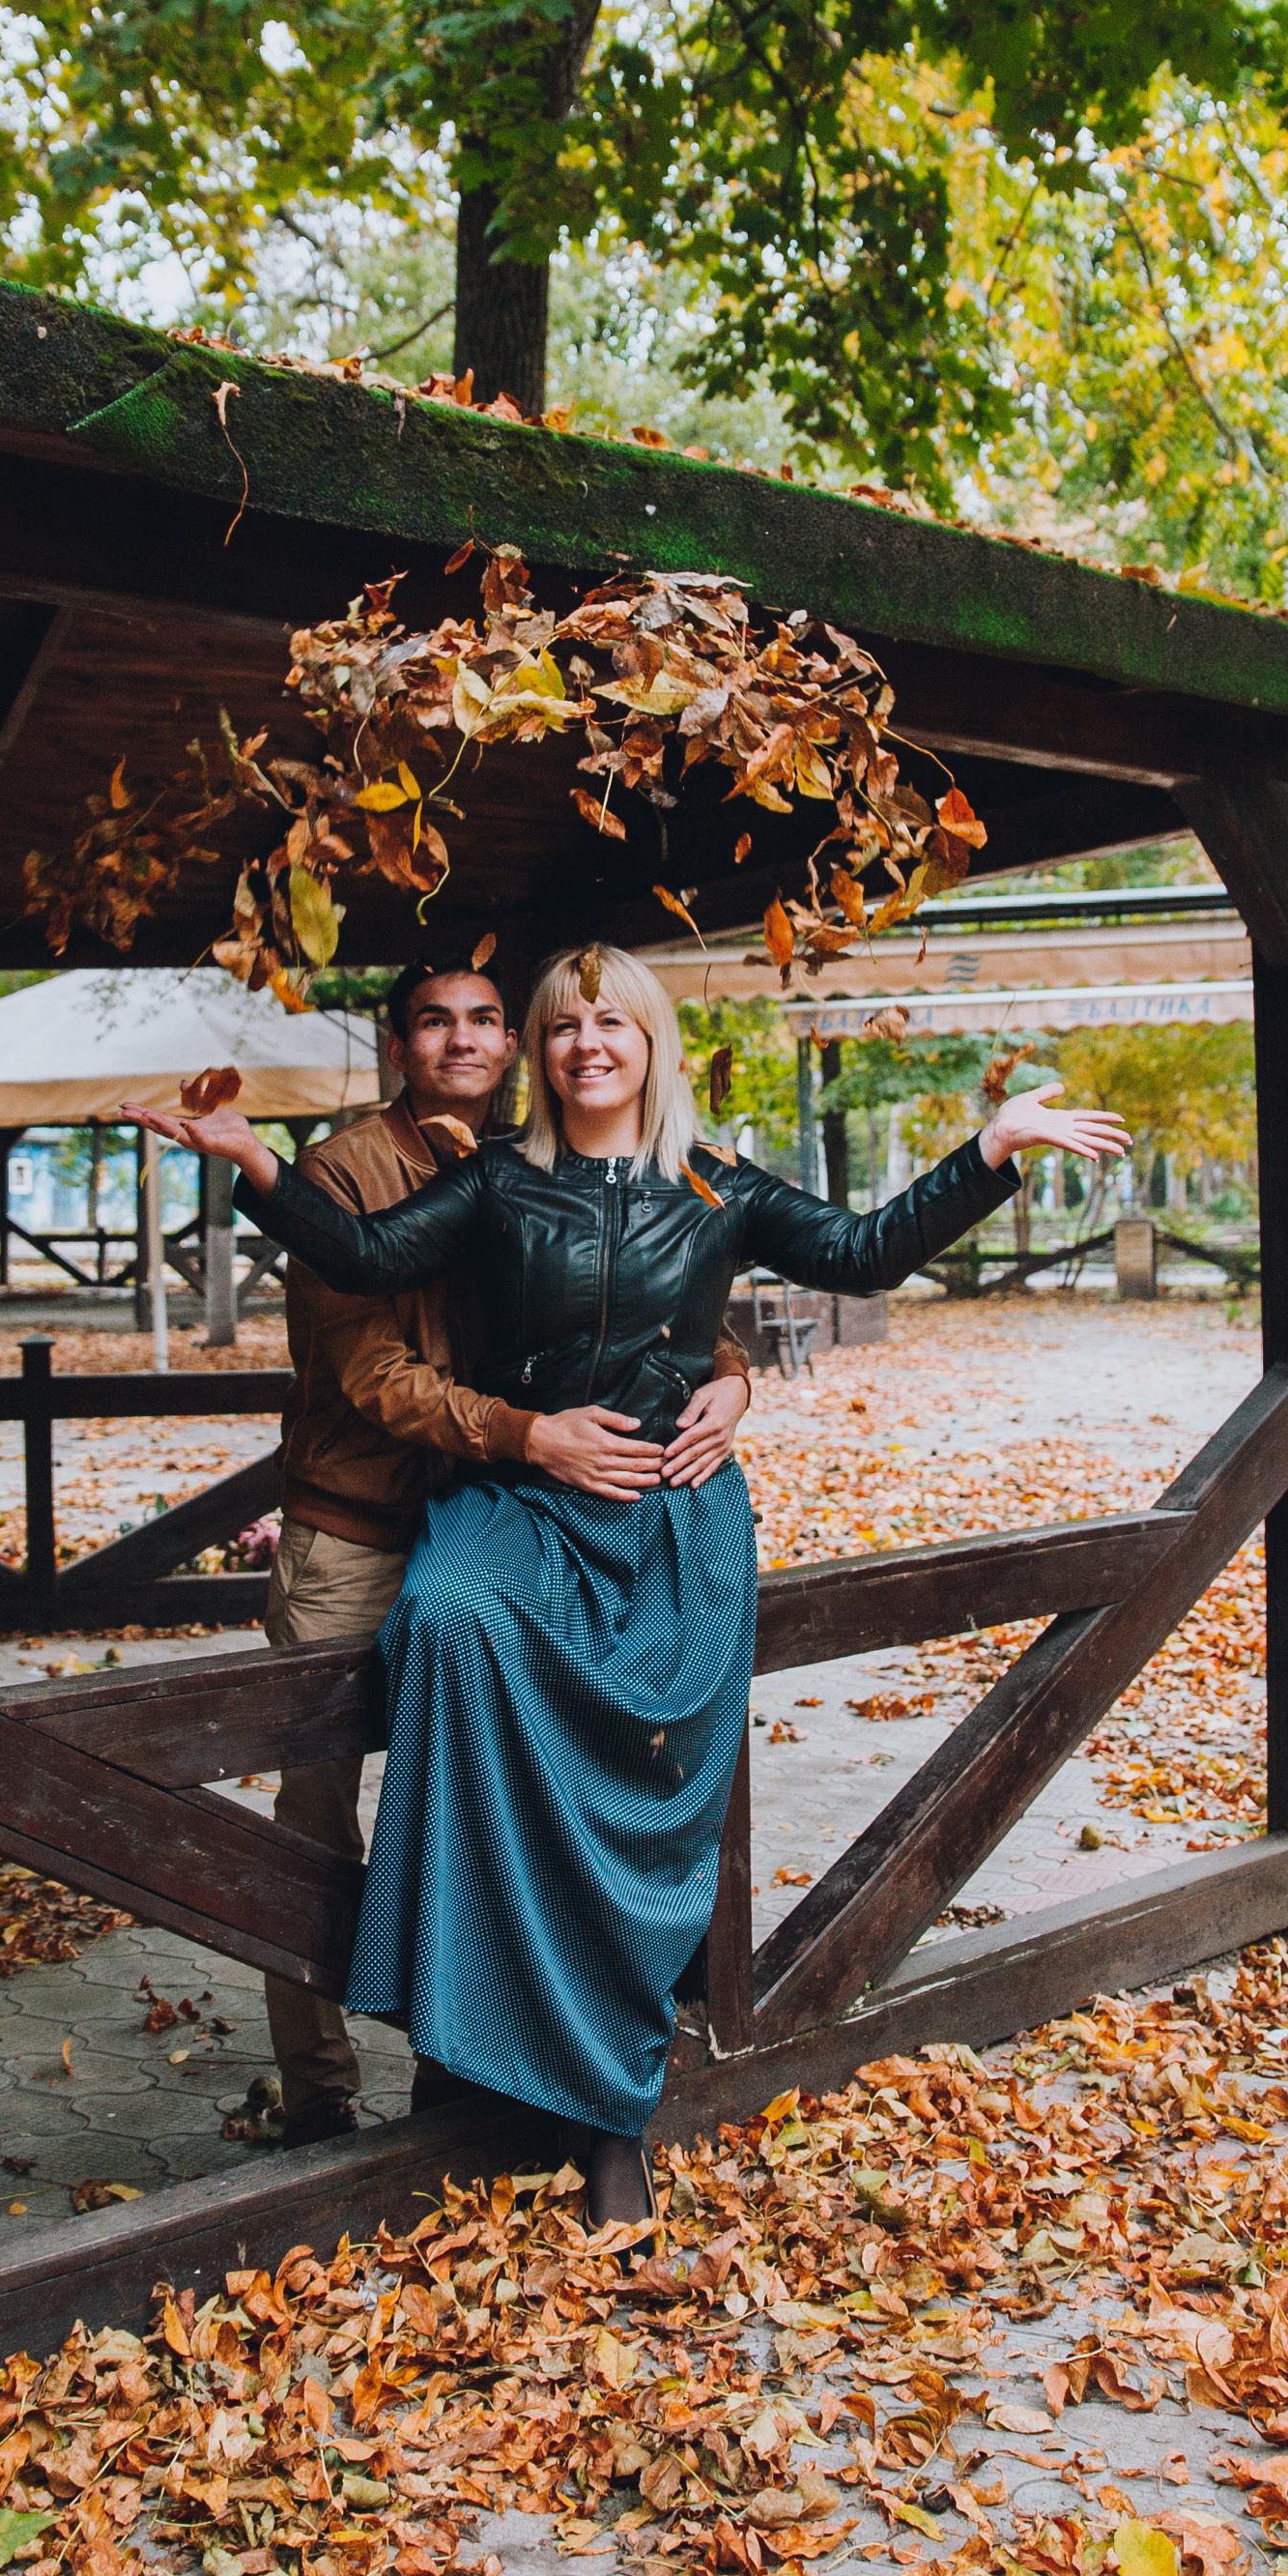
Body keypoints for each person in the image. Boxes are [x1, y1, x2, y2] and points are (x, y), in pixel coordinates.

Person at [136, 943, 1127, 2227]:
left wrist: (985, 1151)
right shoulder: (495, 1180)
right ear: (537, 1055)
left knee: (646, 1783)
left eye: (612, 1021)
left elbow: (862, 1249)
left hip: (663, 1517)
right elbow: (366, 1257)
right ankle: (458, 2041)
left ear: (651, 1043)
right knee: (445, 1622)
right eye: (562, 1026)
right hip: (516, 1507)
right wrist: (257, 1162)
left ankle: (610, 2105)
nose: (585, 1043)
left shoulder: (710, 1184)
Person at [262, 946, 754, 2146]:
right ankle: (320, 2096)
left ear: (515, 1042)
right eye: (434, 1022)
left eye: (487, 1018)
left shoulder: (531, 1165)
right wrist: (529, 1437)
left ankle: (476, 2059)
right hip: (365, 1526)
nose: (463, 1041)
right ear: (398, 1046)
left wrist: (732, 1381)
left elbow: (649, 1307)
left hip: (506, 1526)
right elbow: (377, 1374)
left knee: (515, 1782)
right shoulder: (346, 1174)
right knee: (318, 1822)